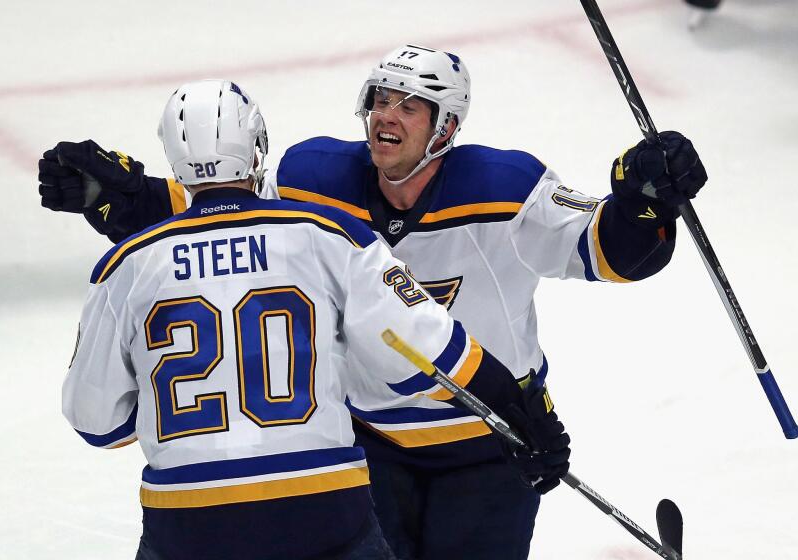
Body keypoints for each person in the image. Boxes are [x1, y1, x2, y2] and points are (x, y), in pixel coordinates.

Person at [42, 44, 707, 560]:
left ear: (445, 125)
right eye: (380, 100)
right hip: (372, 443)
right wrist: (122, 197)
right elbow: (230, 212)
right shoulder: (315, 179)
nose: (386, 115)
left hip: (490, 438)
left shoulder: (507, 189)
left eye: (409, 105)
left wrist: (644, 202)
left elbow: (613, 251)